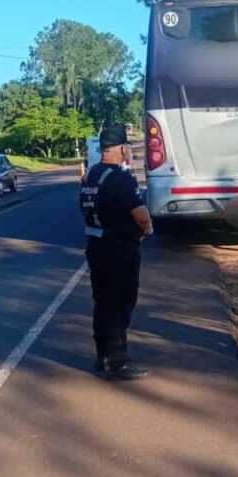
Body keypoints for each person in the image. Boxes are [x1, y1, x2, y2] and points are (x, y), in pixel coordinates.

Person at [80, 124, 153, 380]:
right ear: (122, 148)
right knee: (121, 304)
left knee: (102, 302)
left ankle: (102, 355)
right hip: (119, 249)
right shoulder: (121, 179)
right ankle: (118, 360)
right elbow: (141, 216)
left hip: (96, 247)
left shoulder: (90, 176)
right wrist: (147, 230)